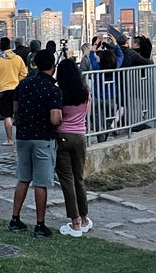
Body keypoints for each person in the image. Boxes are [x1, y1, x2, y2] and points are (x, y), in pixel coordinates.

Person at [8, 49, 62, 238]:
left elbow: (15, 108)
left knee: (23, 178)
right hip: (43, 138)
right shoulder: (53, 89)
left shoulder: (23, 84)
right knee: (40, 182)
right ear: (53, 67)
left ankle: (15, 219)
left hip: (23, 136)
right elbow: (55, 118)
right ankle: (40, 225)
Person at [55, 59, 93, 237]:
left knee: (66, 180)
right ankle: (84, 218)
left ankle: (74, 222)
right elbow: (88, 113)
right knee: (79, 178)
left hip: (62, 136)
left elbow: (57, 117)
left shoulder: (60, 94)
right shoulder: (85, 93)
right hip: (80, 136)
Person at [0, 37, 27, 146]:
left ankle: (10, 139)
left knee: (7, 115)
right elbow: (24, 73)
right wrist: (17, 81)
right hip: (16, 89)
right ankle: (22, 137)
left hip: (4, 90)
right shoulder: (18, 59)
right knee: (18, 114)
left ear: (0, 47)